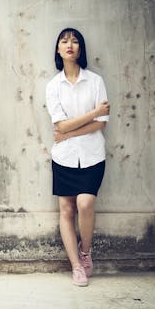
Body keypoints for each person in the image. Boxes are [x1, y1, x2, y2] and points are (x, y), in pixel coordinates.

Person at [45, 28, 110, 286]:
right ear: (58, 50)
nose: (69, 44)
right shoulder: (53, 86)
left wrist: (70, 130)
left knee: (84, 203)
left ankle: (86, 252)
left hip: (93, 155)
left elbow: (101, 122)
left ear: (80, 49)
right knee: (66, 210)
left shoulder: (95, 81)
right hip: (64, 157)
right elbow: (59, 126)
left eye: (74, 41)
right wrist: (92, 113)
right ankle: (76, 266)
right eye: (64, 41)